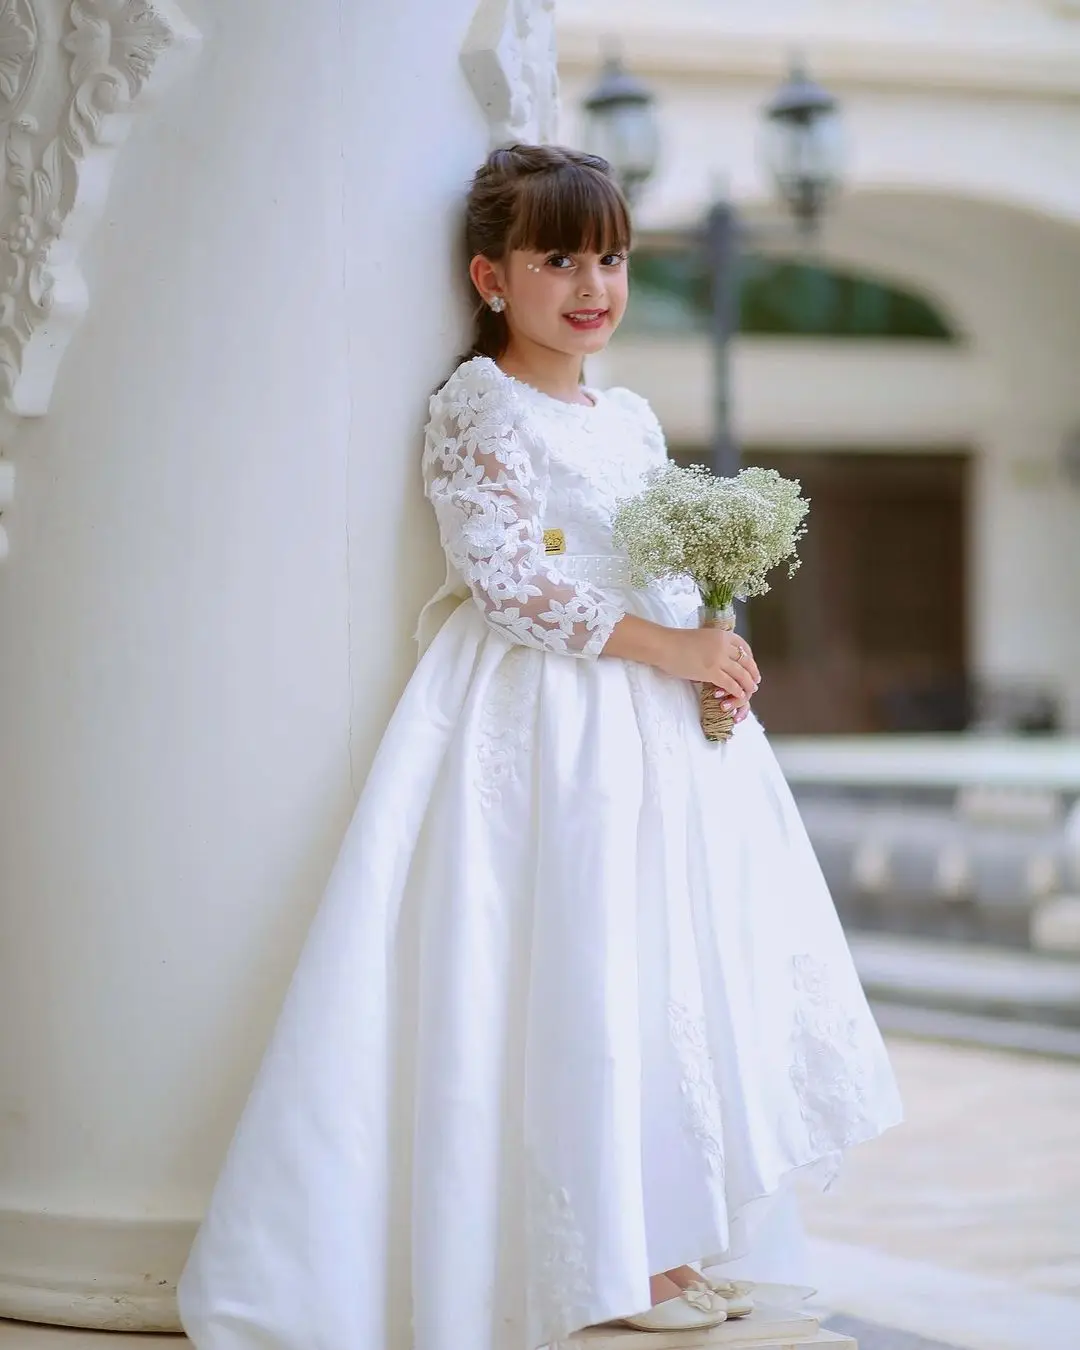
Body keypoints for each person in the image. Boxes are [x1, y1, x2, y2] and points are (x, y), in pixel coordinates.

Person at [177, 144, 903, 1350]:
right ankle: (599, 1259)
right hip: (545, 718)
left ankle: (666, 1238)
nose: (591, 284)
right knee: (572, 969)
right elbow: (507, 578)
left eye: (610, 256)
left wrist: (710, 648)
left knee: (660, 971)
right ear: (489, 275)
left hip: (652, 724)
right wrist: (660, 651)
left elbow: (661, 557)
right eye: (557, 257)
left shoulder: (626, 414)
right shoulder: (482, 405)